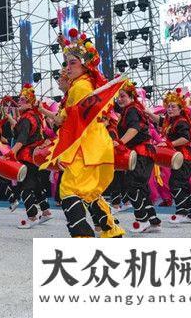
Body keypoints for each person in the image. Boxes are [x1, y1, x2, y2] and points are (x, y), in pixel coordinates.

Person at [39, 28, 124, 238]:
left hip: (85, 146)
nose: (67, 68)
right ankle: (112, 233)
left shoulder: (80, 88)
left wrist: (63, 149)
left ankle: (83, 238)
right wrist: (65, 47)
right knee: (89, 192)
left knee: (68, 191)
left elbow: (68, 122)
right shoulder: (86, 84)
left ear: (85, 65)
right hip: (96, 145)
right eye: (66, 63)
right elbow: (64, 118)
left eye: (72, 63)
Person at [114, 81, 161, 233]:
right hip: (141, 153)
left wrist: (120, 142)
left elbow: (134, 129)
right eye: (118, 97)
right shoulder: (129, 109)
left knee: (132, 185)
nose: (119, 99)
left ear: (132, 97)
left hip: (141, 153)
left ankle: (142, 219)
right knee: (141, 187)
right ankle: (153, 220)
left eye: (123, 96)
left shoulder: (132, 110)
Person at [147, 88, 191, 224]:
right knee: (182, 185)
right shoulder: (172, 121)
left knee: (175, 184)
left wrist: (169, 144)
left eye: (173, 106)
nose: (169, 109)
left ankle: (182, 212)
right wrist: (147, 112)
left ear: (180, 109)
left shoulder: (181, 121)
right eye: (168, 106)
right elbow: (159, 120)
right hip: (180, 158)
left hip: (185, 158)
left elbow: (185, 139)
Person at [5, 84, 52, 229]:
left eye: (23, 100)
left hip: (26, 155)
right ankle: (46, 211)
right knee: (36, 183)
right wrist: (10, 118)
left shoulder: (26, 118)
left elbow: (22, 139)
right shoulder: (35, 116)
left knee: (25, 185)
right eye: (19, 99)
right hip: (34, 156)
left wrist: (11, 152)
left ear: (31, 102)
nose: (19, 101)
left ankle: (32, 217)